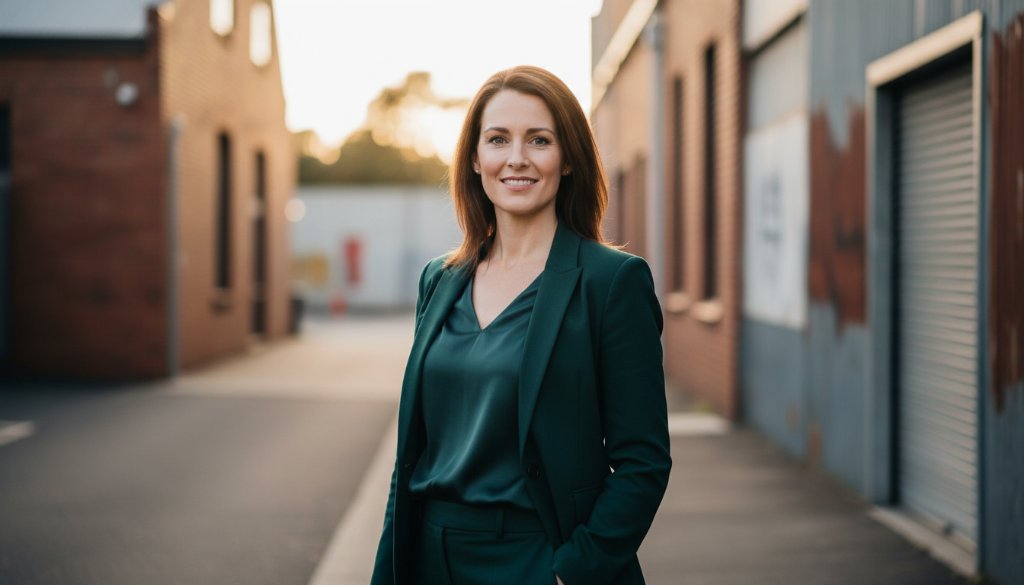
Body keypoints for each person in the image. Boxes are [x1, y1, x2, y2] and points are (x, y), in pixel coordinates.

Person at [371, 65, 671, 585]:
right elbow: (412, 458)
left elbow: (643, 461)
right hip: (430, 555)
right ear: (474, 157)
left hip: (539, 556)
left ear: (569, 158)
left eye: (539, 140)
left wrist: (574, 569)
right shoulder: (439, 281)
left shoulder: (612, 283)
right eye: (498, 139)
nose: (517, 158)